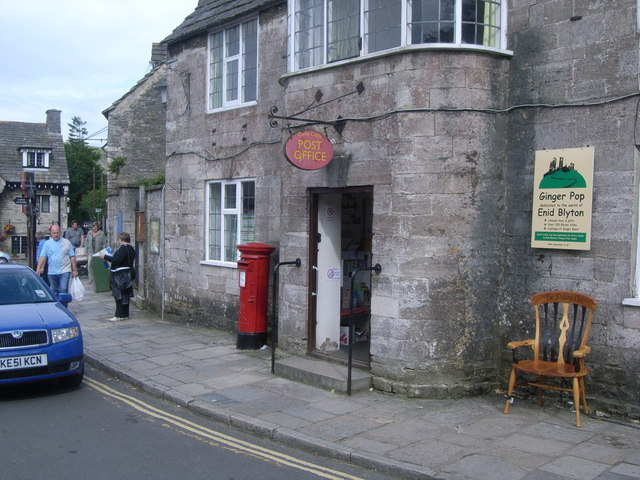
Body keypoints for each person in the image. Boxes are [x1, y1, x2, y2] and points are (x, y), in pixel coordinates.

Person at [36, 224, 78, 307]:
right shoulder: (47, 244)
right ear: (51, 233)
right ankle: (56, 308)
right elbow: (43, 257)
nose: (56, 235)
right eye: (54, 233)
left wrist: (74, 270)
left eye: (57, 233)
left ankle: (64, 308)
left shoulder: (66, 242)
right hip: (52, 271)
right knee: (54, 290)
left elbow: (72, 257)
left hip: (65, 270)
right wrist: (39, 268)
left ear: (60, 232)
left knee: (63, 289)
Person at [100, 232, 135, 322]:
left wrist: (105, 256)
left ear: (122, 239)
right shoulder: (131, 249)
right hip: (128, 273)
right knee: (125, 295)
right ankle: (125, 314)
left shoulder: (123, 249)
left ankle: (118, 315)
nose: (119, 241)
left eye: (119, 239)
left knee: (118, 295)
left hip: (120, 275)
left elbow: (117, 260)